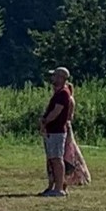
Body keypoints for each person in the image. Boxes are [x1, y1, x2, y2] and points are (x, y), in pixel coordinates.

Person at [40, 67, 75, 198]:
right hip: (53, 131)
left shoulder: (63, 94)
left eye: (54, 76)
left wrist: (45, 121)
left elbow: (56, 111)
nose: (52, 78)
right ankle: (54, 186)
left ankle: (59, 188)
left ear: (61, 77)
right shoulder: (59, 93)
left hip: (57, 131)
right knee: (53, 159)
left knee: (57, 159)